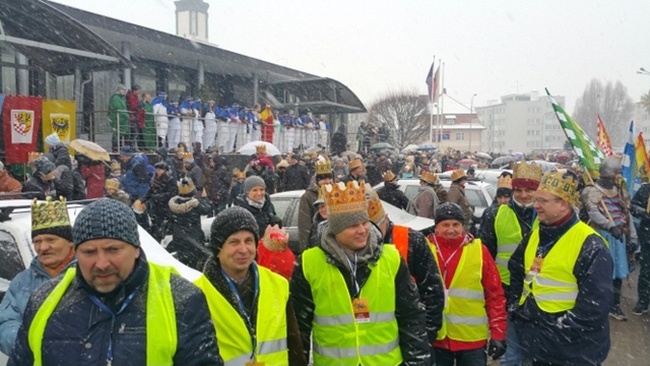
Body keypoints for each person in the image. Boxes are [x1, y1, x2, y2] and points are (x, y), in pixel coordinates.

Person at [8, 198, 223, 365]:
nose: (101, 263)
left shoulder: (182, 300)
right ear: (76, 252)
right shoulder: (44, 301)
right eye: (89, 252)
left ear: (136, 249)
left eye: (113, 250)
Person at [291, 180, 431, 365]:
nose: (362, 230)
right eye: (353, 225)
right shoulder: (309, 263)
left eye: (365, 222)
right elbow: (299, 327)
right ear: (336, 229)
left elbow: (411, 316)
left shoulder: (391, 259)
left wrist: (417, 362)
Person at [508, 170, 613, 365]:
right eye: (536, 199)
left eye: (543, 201)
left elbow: (595, 306)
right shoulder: (538, 232)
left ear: (563, 204)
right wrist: (517, 306)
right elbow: (516, 267)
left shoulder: (590, 245)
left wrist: (559, 331)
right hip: (537, 342)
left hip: (573, 350)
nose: (535, 205)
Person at [195, 207, 306, 365]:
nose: (243, 249)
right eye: (234, 242)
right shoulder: (197, 293)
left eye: (248, 241)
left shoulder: (278, 285)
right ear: (218, 249)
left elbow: (294, 347)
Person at [367, 185, 445, 351]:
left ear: (386, 218)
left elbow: (433, 291)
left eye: (376, 227)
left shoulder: (411, 240)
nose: (371, 235)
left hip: (410, 333)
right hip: (375, 339)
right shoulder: (356, 244)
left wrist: (426, 334)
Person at [478, 162, 541, 365]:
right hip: (506, 293)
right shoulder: (495, 214)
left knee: (536, 354)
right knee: (511, 354)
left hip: (540, 295)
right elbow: (485, 257)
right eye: (518, 190)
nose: (523, 195)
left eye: (529, 190)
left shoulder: (547, 214)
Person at [428, 202, 506, 365]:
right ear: (436, 227)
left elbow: (495, 295)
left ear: (463, 226)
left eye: (456, 224)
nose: (451, 230)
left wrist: (498, 333)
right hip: (436, 337)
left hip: (472, 339)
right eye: (445, 225)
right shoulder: (425, 248)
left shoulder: (479, 250)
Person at [0, 197, 76, 355]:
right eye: (37, 241)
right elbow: (5, 323)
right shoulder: (22, 282)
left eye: (51, 240)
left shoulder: (89, 275)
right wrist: (32, 344)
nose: (42, 247)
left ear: (71, 243)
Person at [580, 156, 637, 320]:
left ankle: (615, 305)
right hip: (601, 236)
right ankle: (596, 305)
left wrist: (633, 239)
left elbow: (627, 215)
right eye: (616, 173)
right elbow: (593, 213)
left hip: (620, 238)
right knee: (599, 273)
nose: (618, 177)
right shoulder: (590, 191)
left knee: (618, 274)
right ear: (608, 173)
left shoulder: (620, 192)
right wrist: (609, 226)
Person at [167, 177, 212, 270]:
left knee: (182, 268)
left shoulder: (173, 205)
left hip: (179, 241)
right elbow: (207, 209)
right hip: (194, 242)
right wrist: (205, 198)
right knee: (195, 268)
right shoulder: (195, 205)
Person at [297, 158, 333, 253]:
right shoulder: (308, 197)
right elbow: (304, 226)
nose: (328, 181)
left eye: (329, 178)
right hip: (317, 242)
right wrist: (305, 249)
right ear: (318, 180)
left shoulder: (336, 193)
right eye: (324, 179)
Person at [138, 161, 177, 242]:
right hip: (156, 206)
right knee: (155, 223)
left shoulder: (170, 180)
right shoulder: (155, 179)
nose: (158, 171)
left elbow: (171, 193)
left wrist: (158, 197)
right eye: (157, 169)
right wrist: (142, 200)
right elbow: (150, 191)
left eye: (160, 170)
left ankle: (159, 239)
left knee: (161, 225)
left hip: (165, 206)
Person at [631, 182, 650, 315]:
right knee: (646, 270)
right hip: (648, 237)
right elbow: (632, 206)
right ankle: (643, 301)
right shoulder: (646, 189)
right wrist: (643, 212)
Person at [107, 84, 129, 150]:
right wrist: (126, 115)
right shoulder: (116, 98)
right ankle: (116, 148)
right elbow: (118, 108)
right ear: (120, 90)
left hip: (119, 119)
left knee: (118, 134)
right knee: (117, 134)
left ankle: (117, 147)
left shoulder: (119, 98)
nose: (125, 92)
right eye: (124, 90)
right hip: (117, 119)